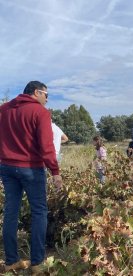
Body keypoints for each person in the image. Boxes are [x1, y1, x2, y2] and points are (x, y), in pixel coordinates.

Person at [0, 81, 63, 275]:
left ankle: (12, 261)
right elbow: (46, 146)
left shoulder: (4, 109)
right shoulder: (40, 112)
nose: (46, 99)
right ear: (36, 92)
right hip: (30, 169)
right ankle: (37, 263)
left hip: (6, 167)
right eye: (46, 95)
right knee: (39, 212)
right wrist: (55, 171)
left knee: (11, 211)